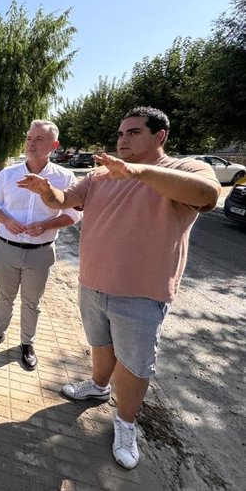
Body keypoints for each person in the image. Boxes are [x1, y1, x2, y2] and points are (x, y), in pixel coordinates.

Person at [17, 107, 220, 469]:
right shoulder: (100, 175)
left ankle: (125, 424)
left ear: (160, 137)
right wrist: (48, 192)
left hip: (143, 294)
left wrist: (137, 172)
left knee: (134, 364)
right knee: (100, 344)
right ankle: (97, 386)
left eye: (134, 133)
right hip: (92, 283)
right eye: (121, 133)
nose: (123, 139)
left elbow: (208, 194)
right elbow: (65, 201)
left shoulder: (184, 170)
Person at [0, 120, 81, 371]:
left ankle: (27, 343)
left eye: (39, 139)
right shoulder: (8, 174)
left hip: (40, 253)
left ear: (54, 145)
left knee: (32, 302)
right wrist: (5, 219)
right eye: (29, 138)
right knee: (5, 296)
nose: (31, 143)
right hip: (6, 248)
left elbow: (74, 214)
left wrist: (47, 225)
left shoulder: (64, 177)